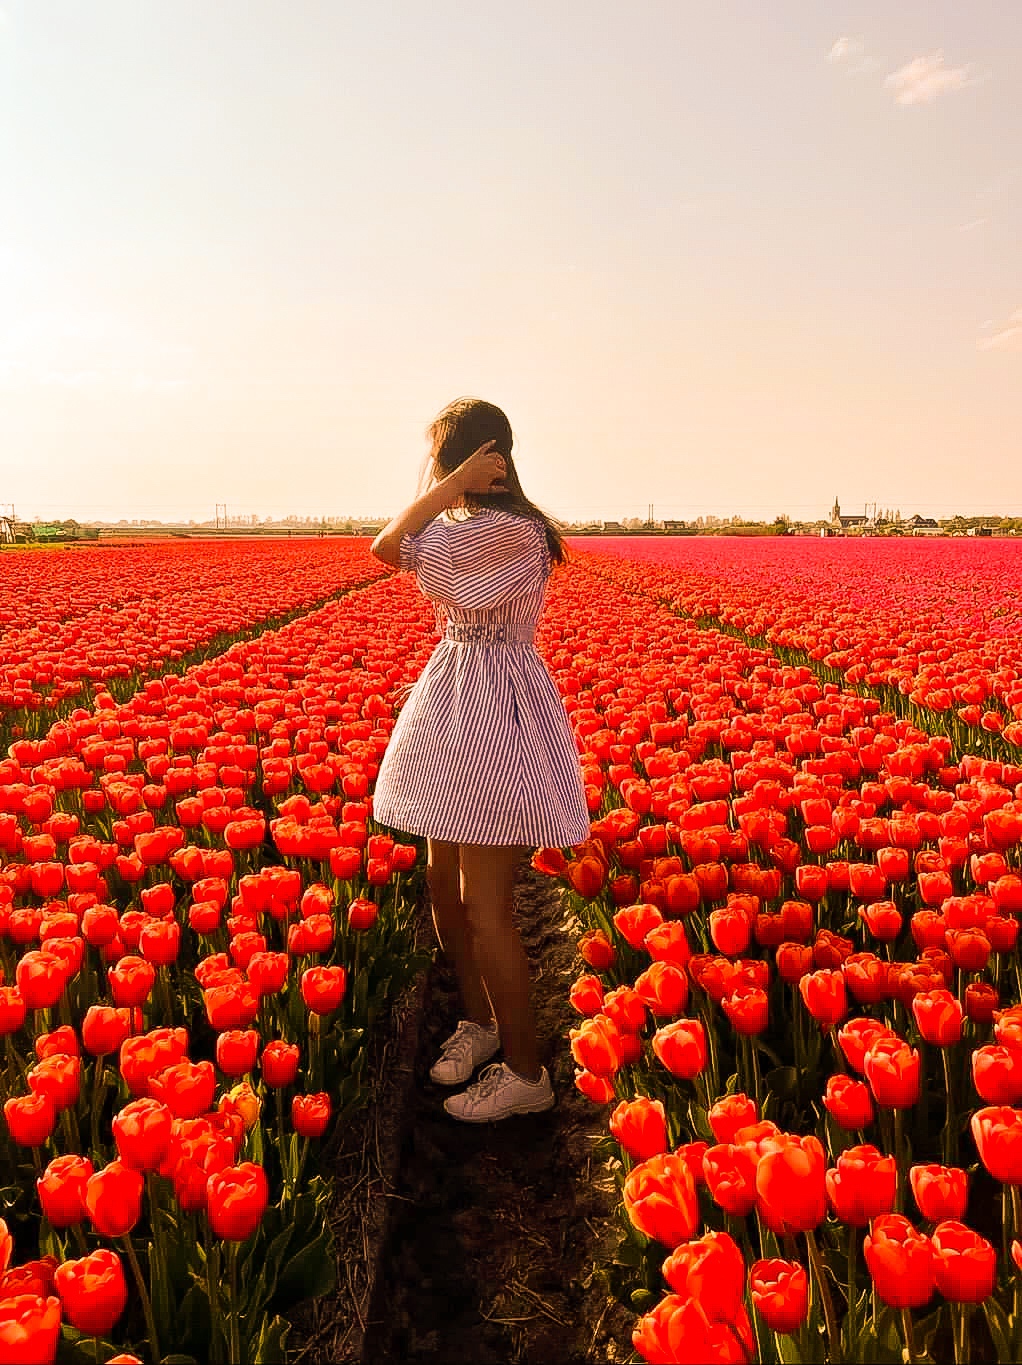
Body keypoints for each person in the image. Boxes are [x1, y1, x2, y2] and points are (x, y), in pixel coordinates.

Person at [370, 397, 590, 1123]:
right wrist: (452, 488)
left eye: (438, 456)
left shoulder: (511, 534)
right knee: (442, 883)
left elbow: (386, 546)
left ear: (472, 460)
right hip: (452, 699)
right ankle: (480, 1022)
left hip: (493, 707)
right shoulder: (465, 528)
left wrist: (446, 485)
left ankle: (526, 1071)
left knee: (484, 903)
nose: (429, 470)